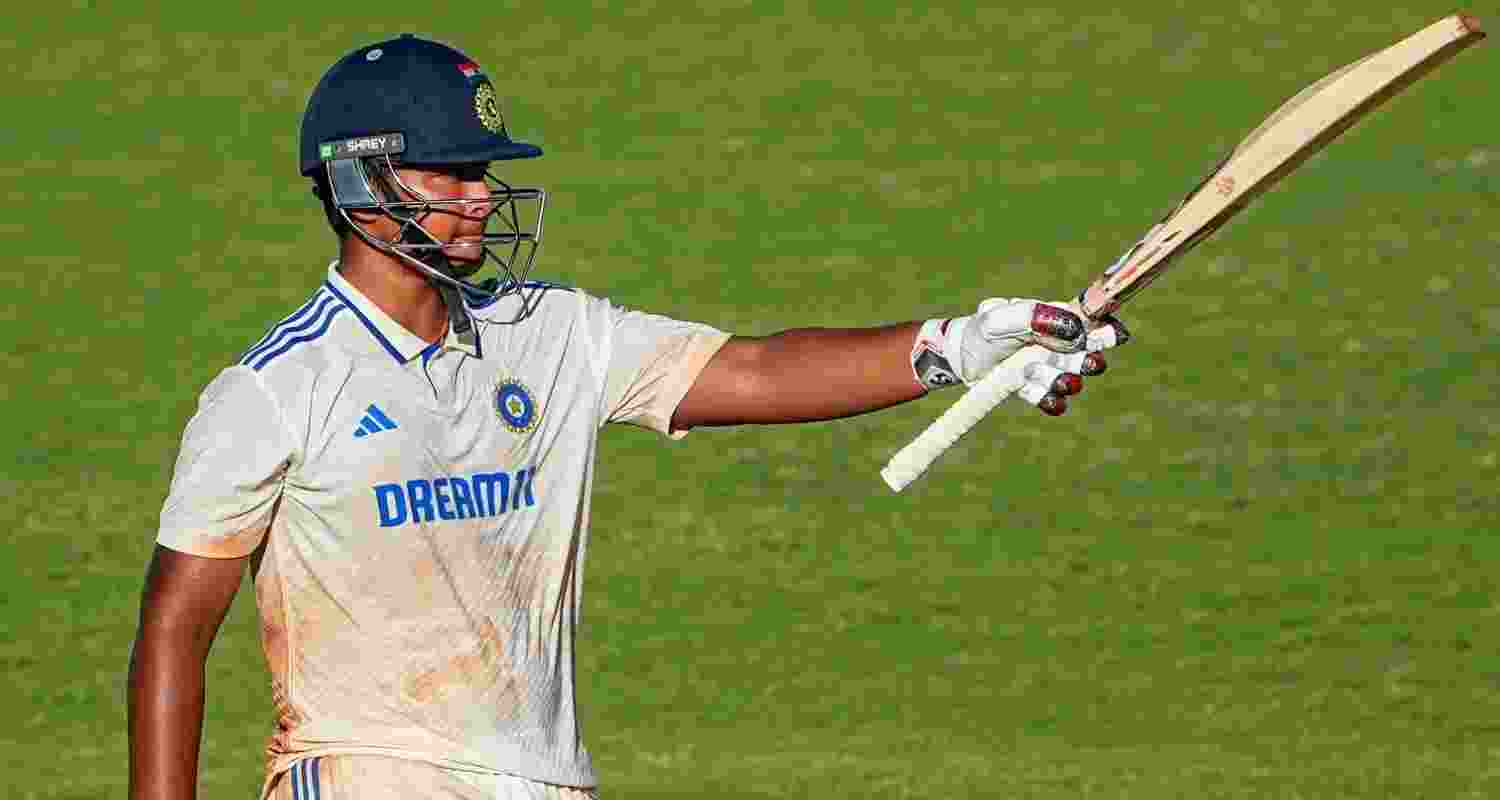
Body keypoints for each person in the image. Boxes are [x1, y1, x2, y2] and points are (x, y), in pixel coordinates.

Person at [127, 35, 1129, 800]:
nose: (482, 197)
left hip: (546, 777)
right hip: (368, 775)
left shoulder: (550, 331)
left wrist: (956, 344)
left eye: (483, 172)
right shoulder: (274, 390)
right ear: (360, 182)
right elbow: (174, 632)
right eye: (452, 173)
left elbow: (751, 369)